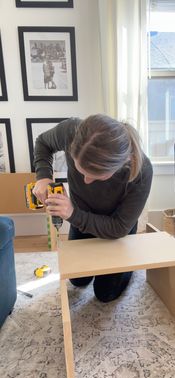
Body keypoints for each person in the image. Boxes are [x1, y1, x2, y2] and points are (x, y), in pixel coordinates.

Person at [33, 114, 153, 302]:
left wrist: (73, 213)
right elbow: (42, 143)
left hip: (117, 229)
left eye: (96, 176)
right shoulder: (71, 132)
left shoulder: (142, 170)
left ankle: (130, 263)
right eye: (81, 172)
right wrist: (43, 176)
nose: (86, 181)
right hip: (81, 221)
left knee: (105, 294)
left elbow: (118, 227)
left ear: (120, 165)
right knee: (77, 280)